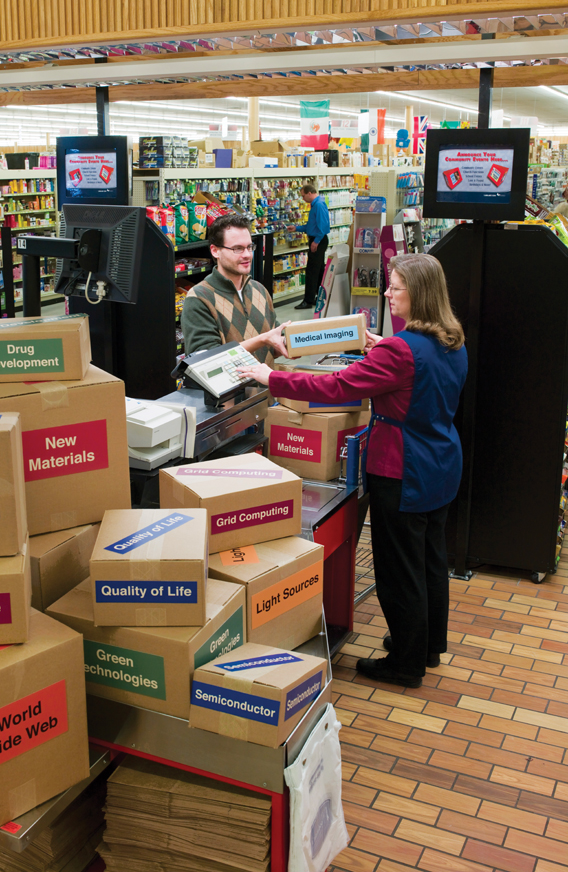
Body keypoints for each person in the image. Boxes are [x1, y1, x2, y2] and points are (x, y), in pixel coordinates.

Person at [238, 253, 468, 689]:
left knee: (398, 569)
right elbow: (418, 376)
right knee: (430, 561)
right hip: (441, 463)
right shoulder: (451, 339)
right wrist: (385, 348)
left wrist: (273, 379)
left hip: (402, 468)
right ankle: (426, 645)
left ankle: (404, 662)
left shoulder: (401, 351)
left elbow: (338, 386)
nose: (386, 292)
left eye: (395, 286)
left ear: (418, 293)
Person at [181, 212, 289, 363]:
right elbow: (206, 362)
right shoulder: (199, 298)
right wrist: (264, 339)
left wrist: (295, 342)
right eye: (237, 249)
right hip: (232, 387)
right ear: (215, 251)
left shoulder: (259, 290)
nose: (247, 255)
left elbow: (273, 346)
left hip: (265, 386)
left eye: (249, 247)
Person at [286, 184, 330, 310]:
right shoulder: (316, 204)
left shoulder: (319, 205)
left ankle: (308, 301)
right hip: (318, 239)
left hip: (318, 241)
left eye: (303, 195)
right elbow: (312, 226)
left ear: (310, 193)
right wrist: (296, 228)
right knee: (319, 270)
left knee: (311, 271)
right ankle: (319, 296)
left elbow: (324, 226)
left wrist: (316, 241)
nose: (302, 198)